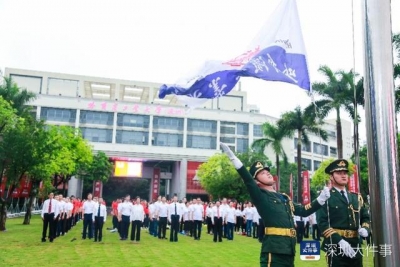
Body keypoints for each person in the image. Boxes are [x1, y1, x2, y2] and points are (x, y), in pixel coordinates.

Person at [220, 142, 330, 267]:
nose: (267, 173)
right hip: (273, 250)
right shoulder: (260, 196)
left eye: (267, 171)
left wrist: (320, 200)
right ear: (257, 182)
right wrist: (233, 158)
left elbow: (303, 210)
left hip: (289, 249)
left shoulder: (284, 197)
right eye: (262, 173)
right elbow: (248, 180)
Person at [317, 159, 370, 267]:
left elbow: (365, 217)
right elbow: (322, 223)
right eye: (339, 173)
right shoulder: (325, 197)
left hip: (355, 245)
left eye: (345, 173)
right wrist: (339, 241)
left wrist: (365, 228)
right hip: (336, 246)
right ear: (331, 177)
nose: (343, 176)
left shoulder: (356, 197)